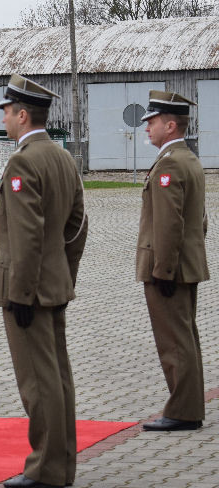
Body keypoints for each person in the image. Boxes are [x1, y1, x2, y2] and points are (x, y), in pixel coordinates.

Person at [0, 75, 88, 488]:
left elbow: (26, 236)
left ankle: (46, 467)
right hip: (53, 284)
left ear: (23, 114)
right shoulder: (63, 157)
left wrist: (22, 292)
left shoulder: (23, 161)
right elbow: (79, 224)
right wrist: (63, 273)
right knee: (58, 376)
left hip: (27, 289)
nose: (5, 117)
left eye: (8, 111)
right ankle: (61, 460)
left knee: (37, 381)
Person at [136, 90, 209, 432]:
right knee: (185, 337)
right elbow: (200, 220)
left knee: (174, 341)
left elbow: (169, 223)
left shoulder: (170, 164)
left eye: (151, 122)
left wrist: (162, 269)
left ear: (170, 125)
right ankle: (189, 406)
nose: (146, 128)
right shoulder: (189, 159)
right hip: (186, 263)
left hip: (169, 268)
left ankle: (183, 412)